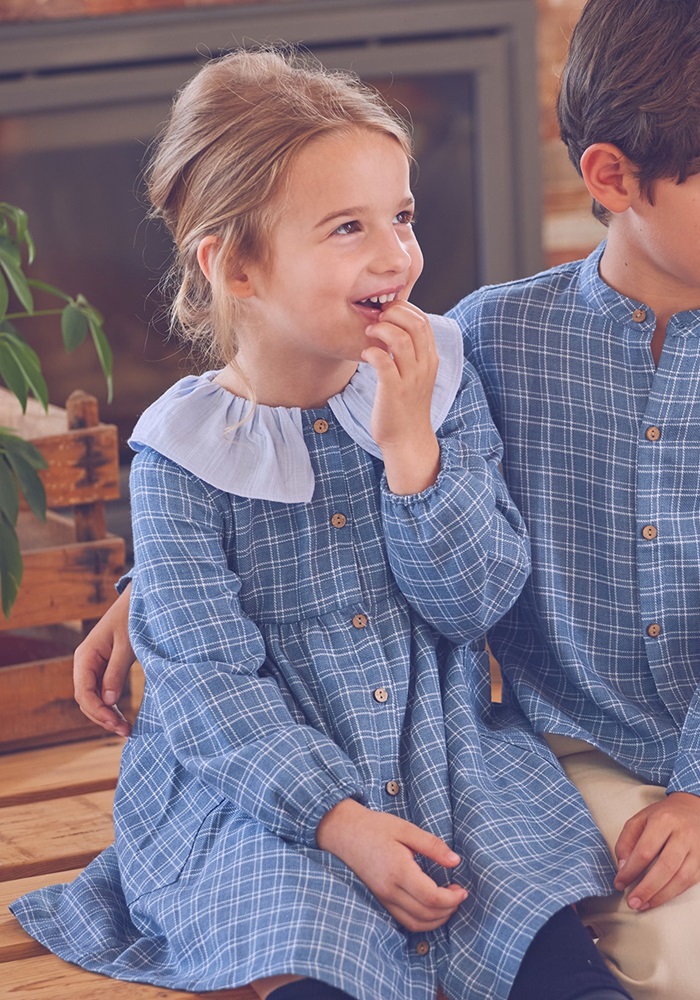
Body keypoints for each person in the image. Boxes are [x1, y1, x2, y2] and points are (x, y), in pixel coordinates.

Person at [71, 1, 700, 998]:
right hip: (580, 740)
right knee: (680, 960)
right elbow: (322, 490)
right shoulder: (491, 341)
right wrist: (154, 588)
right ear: (609, 178)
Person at [11, 48, 633, 1000]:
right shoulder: (181, 454)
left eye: (403, 216)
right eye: (348, 228)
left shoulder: (437, 384)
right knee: (313, 951)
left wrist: (412, 454)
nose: (396, 255)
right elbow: (208, 688)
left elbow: (476, 606)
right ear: (236, 265)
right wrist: (338, 820)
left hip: (455, 760)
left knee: (550, 959)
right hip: (266, 799)